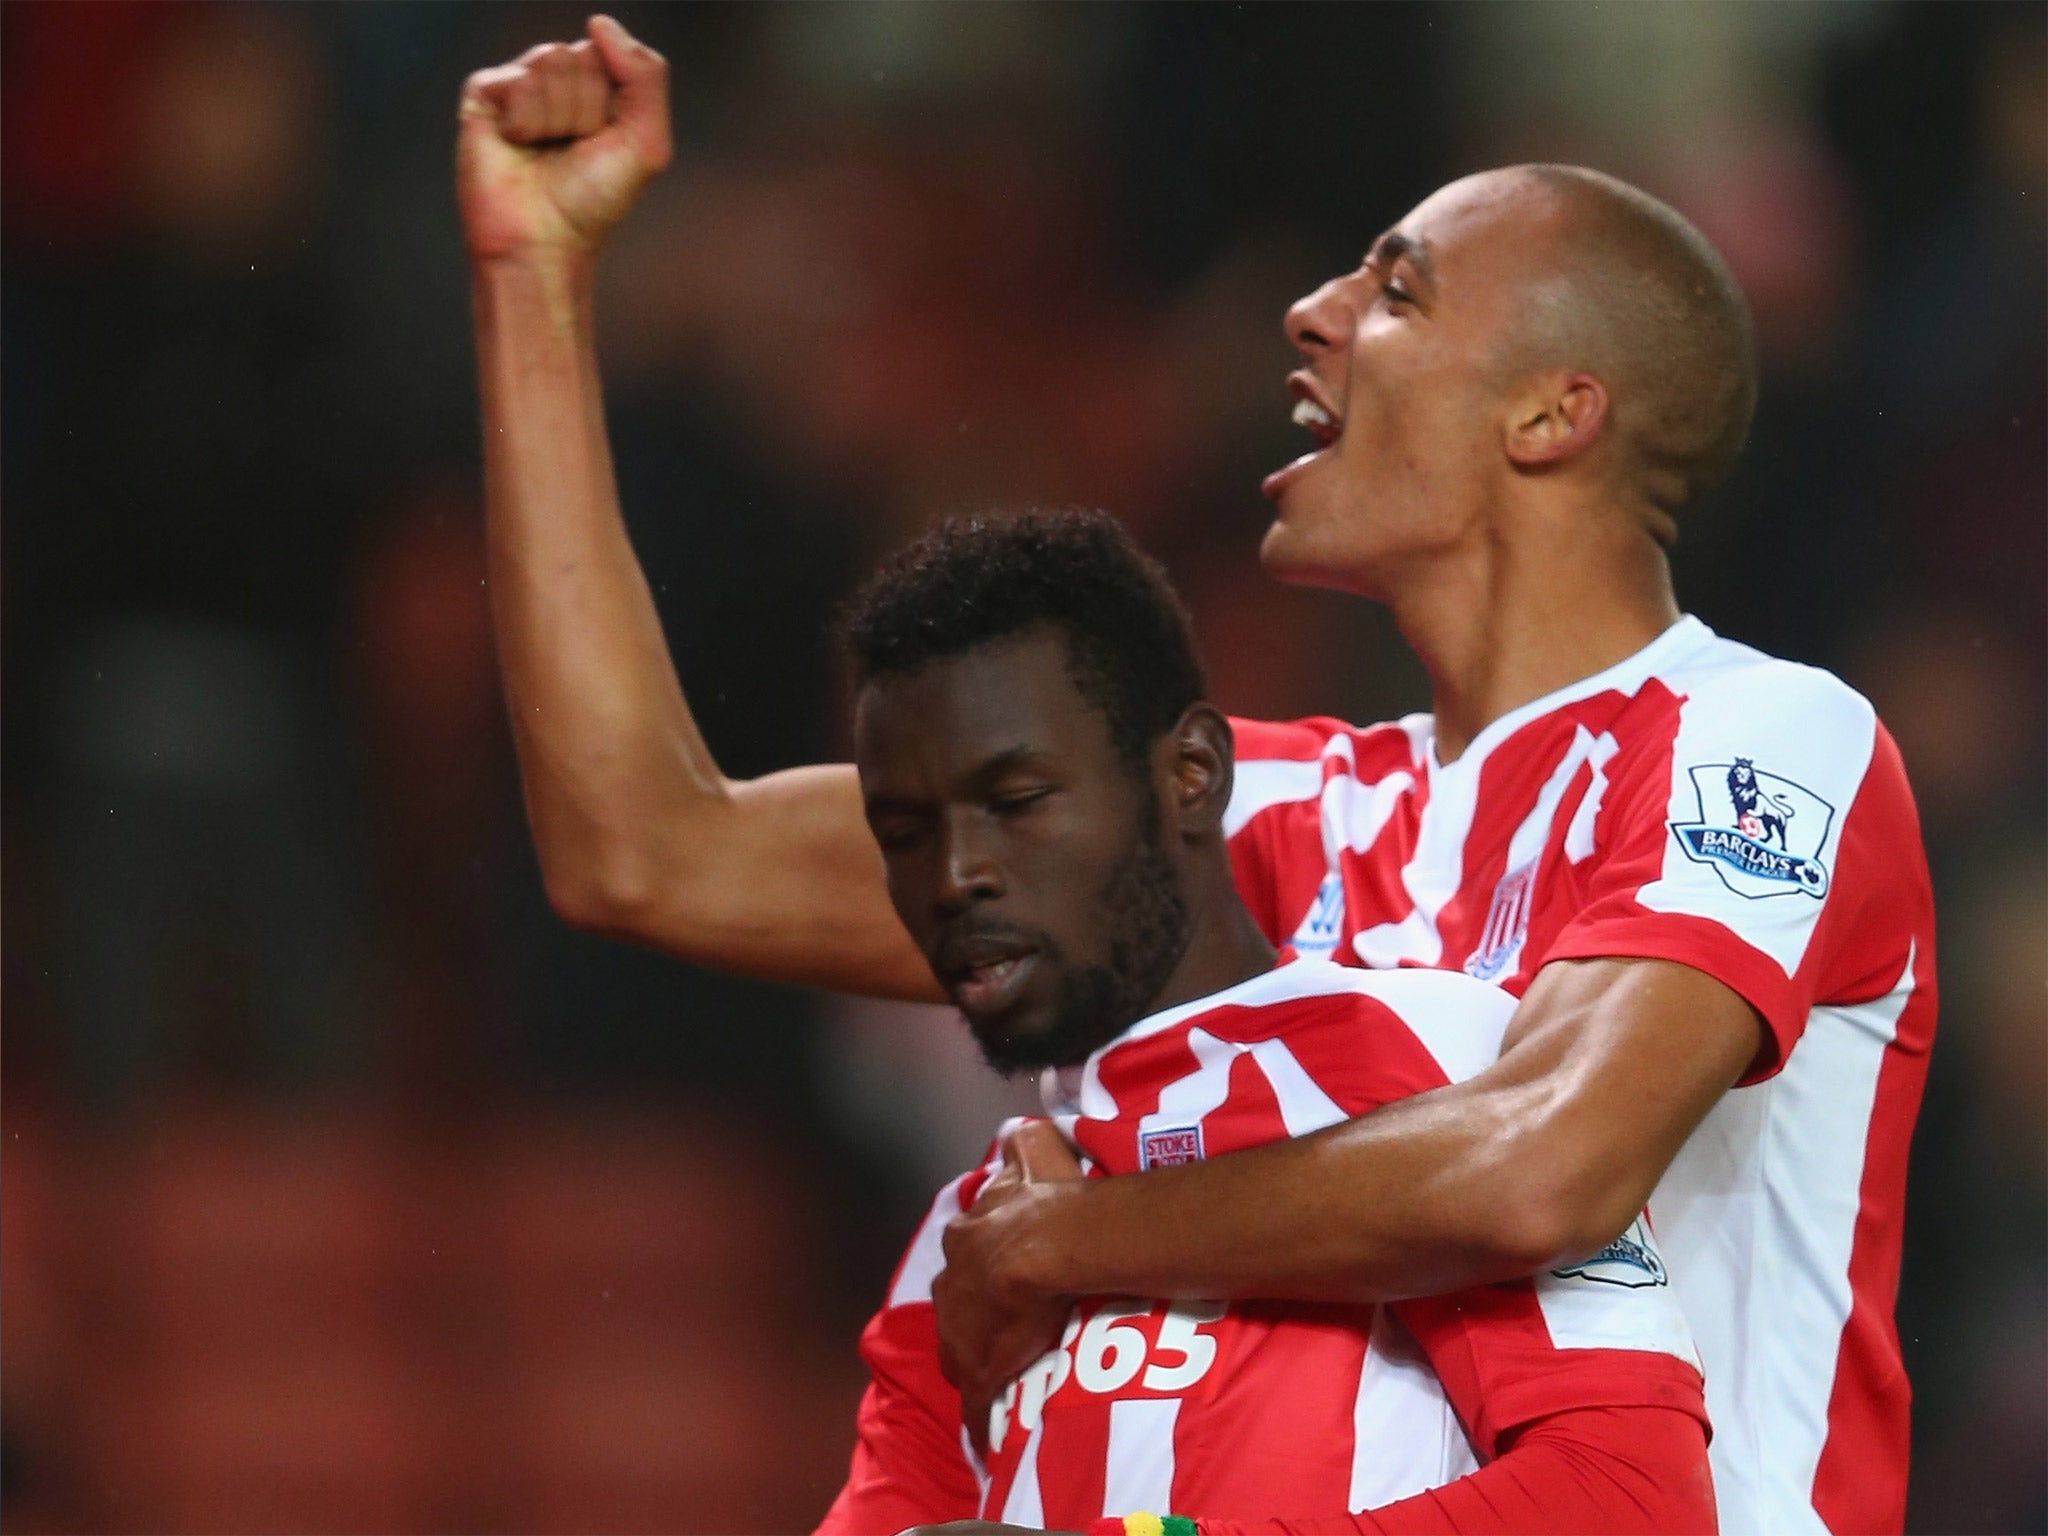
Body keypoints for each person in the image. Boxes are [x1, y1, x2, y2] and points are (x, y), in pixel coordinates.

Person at [457, 19, 1935, 1533]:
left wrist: (1072, 1239)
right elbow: (646, 849)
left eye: (1396, 290)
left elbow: (1541, 1162)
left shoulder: (1760, 741)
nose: (1308, 314)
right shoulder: (1283, 811)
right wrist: (532, 282)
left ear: (1554, 413)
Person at [816, 508, 1713, 1534]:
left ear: (1190, 774)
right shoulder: (967, 1242)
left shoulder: (1435, 1069)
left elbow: (1632, 1502)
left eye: (1016, 800)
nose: (953, 876)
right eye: (903, 832)